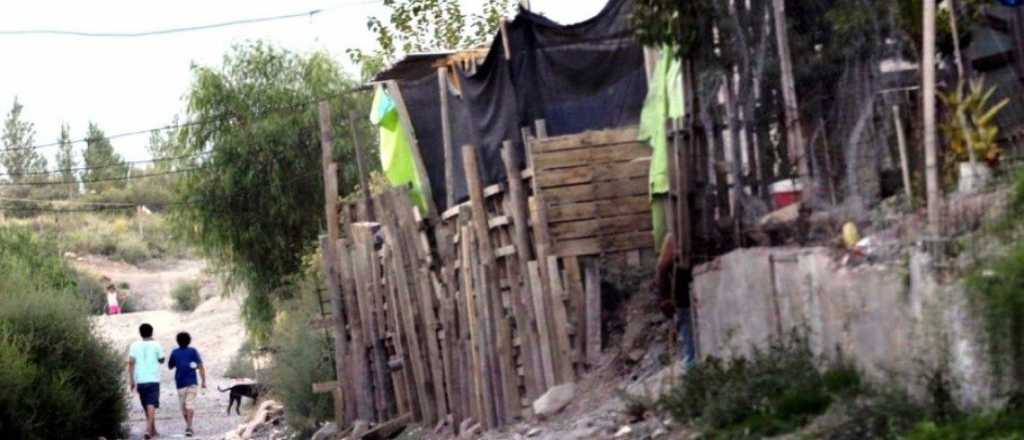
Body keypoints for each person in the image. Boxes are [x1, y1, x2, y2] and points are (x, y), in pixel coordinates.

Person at [653, 233, 696, 367]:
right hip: (684, 301)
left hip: (703, 297)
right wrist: (664, 299)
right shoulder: (675, 237)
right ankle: (692, 373)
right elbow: (662, 267)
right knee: (690, 345)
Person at [129, 323, 165, 439]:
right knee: (151, 404)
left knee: (146, 405)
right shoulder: (156, 344)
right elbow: (161, 360)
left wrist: (131, 380)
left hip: (140, 379)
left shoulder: (134, 345)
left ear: (140, 333)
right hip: (153, 379)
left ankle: (153, 430)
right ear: (152, 332)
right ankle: (148, 430)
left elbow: (130, 363)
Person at [169, 332, 207, 438]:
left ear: (177, 341)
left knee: (185, 406)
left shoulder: (175, 352)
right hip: (192, 381)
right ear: (189, 341)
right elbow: (201, 366)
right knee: (188, 405)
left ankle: (189, 426)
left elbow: (170, 366)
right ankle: (189, 426)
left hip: (181, 383)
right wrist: (203, 381)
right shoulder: (193, 351)